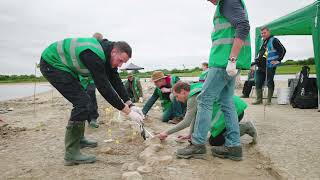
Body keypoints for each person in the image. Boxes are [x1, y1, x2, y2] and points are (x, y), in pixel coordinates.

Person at [40, 37, 144, 166]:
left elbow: (114, 79)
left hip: (64, 67)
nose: (120, 65)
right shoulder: (94, 55)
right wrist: (128, 112)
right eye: (120, 61)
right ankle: (71, 154)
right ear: (114, 52)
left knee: (84, 101)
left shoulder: (107, 55)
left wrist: (130, 104)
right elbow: (104, 87)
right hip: (52, 63)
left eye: (123, 63)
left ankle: (79, 140)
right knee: (81, 102)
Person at [176, 0, 251, 161]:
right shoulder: (225, 4)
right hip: (228, 63)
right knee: (227, 102)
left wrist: (232, 58)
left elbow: (243, 26)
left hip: (223, 62)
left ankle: (198, 145)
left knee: (204, 99)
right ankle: (234, 147)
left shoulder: (228, 2)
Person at [157, 82, 257, 149]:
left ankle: (245, 127)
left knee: (215, 142)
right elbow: (195, 117)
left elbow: (186, 122)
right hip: (234, 108)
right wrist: (190, 135)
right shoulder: (195, 88)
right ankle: (235, 128)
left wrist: (166, 133)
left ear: (183, 92)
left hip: (234, 111)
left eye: (177, 96)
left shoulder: (192, 98)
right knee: (213, 138)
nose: (177, 100)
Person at [252, 27, 286, 105]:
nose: (263, 34)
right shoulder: (263, 42)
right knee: (258, 82)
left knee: (269, 82)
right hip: (260, 66)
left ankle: (269, 101)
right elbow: (262, 54)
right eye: (262, 33)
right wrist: (255, 62)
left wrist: (278, 60)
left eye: (264, 33)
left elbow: (283, 50)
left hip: (270, 66)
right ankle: (259, 100)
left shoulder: (274, 40)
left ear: (268, 32)